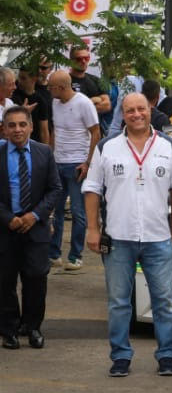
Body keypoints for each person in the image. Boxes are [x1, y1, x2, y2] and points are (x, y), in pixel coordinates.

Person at [83, 92, 172, 377]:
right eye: (130, 110)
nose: (136, 114)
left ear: (150, 109)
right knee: (118, 302)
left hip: (158, 237)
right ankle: (120, 357)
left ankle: (167, 355)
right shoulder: (107, 147)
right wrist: (93, 229)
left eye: (141, 108)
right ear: (122, 114)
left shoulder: (169, 146)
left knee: (164, 300)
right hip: (118, 238)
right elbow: (91, 190)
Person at [0, 105, 62, 350]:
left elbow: (55, 189)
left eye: (22, 124)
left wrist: (35, 216)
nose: (17, 130)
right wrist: (8, 218)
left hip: (35, 227)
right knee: (5, 282)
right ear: (4, 129)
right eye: (12, 125)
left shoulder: (44, 152)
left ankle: (33, 326)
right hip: (5, 227)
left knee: (36, 278)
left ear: (31, 127)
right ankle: (9, 329)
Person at [46, 70, 99, 273]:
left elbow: (95, 132)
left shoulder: (83, 103)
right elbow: (55, 130)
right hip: (58, 163)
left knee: (78, 212)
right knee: (56, 210)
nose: (49, 90)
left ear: (61, 87)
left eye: (51, 87)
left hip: (77, 163)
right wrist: (50, 156)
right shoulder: (55, 103)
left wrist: (88, 162)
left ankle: (75, 256)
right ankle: (54, 254)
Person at [67, 44, 111, 126]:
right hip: (75, 133)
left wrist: (84, 106)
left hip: (96, 131)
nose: (83, 61)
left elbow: (107, 105)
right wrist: (94, 100)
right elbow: (69, 110)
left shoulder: (95, 80)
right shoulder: (66, 81)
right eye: (79, 59)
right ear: (71, 60)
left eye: (86, 58)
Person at [13, 66, 51, 146]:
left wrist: (45, 152)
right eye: (19, 77)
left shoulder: (40, 100)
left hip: (33, 144)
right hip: (14, 142)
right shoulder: (13, 94)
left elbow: (44, 130)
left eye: (23, 78)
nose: (19, 81)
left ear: (34, 79)